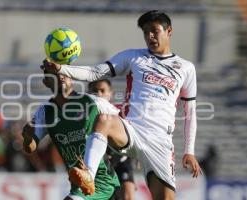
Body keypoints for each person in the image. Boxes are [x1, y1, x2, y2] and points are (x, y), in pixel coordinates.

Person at [41, 10, 202, 200]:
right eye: (145, 32)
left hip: (160, 142)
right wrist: (61, 68)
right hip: (131, 130)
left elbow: (190, 112)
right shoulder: (133, 57)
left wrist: (189, 151)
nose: (150, 36)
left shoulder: (186, 68)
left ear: (169, 31)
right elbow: (95, 73)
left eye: (154, 30)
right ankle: (88, 176)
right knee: (104, 120)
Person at [22, 69, 120, 200]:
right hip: (79, 184)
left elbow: (123, 125)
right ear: (46, 82)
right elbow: (30, 147)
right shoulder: (45, 112)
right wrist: (28, 137)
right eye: (55, 75)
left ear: (71, 78)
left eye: (64, 74)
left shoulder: (92, 101)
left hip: (104, 183)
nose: (61, 77)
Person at [88, 79, 135, 200]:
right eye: (94, 90)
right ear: (88, 92)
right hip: (99, 164)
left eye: (102, 90)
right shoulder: (84, 115)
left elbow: (135, 132)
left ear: (110, 93)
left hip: (120, 158)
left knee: (128, 194)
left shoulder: (120, 112)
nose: (99, 94)